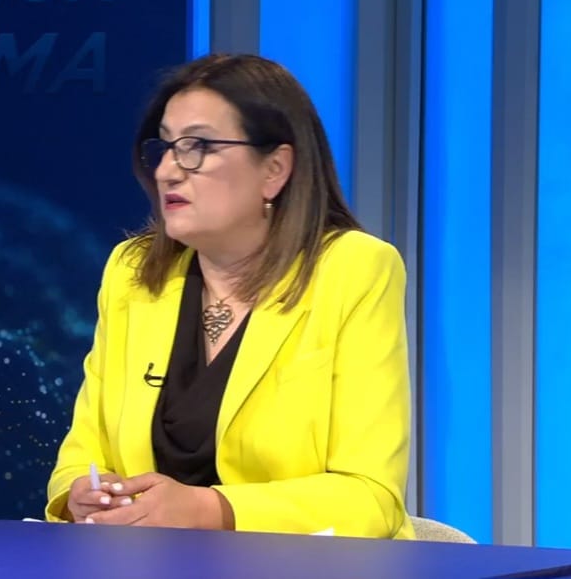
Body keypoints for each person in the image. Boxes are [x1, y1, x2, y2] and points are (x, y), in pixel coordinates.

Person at [45, 53, 413, 539]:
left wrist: (209, 509)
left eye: (198, 147)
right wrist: (81, 494)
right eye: (166, 147)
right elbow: (83, 452)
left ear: (274, 169)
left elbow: (370, 498)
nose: (168, 171)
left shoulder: (353, 270)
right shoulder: (132, 272)